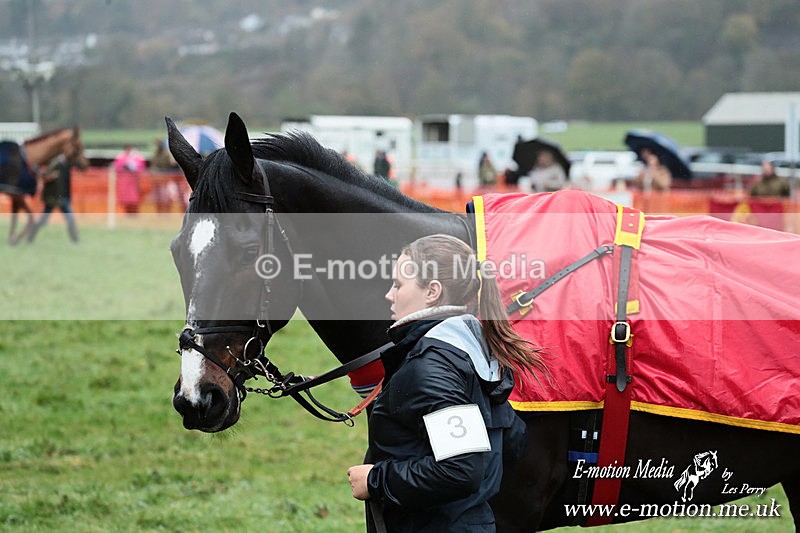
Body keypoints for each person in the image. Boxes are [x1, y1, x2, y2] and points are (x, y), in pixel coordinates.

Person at [347, 234, 547, 532]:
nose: (389, 295)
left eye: (398, 285)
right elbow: (512, 443)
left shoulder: (431, 366)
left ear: (432, 292)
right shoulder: (474, 351)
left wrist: (376, 480)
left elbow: (461, 469)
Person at [28, 153, 84, 243]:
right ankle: (30, 237)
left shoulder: (66, 161)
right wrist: (48, 176)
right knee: (43, 221)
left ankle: (76, 240)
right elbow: (39, 172)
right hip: (52, 197)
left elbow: (79, 166)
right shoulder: (50, 160)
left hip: (63, 197)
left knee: (70, 219)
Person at [113, 145, 146, 214]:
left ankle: (134, 213)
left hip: (134, 183)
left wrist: (132, 167)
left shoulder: (138, 157)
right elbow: (117, 167)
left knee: (134, 200)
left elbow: (141, 168)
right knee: (125, 200)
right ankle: (126, 213)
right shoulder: (120, 157)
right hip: (124, 183)